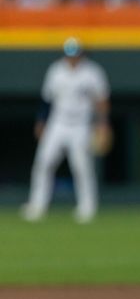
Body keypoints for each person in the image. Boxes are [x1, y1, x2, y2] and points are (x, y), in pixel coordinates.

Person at [21, 37, 111, 223]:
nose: (72, 58)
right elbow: (47, 99)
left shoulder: (92, 72)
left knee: (81, 167)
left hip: (81, 124)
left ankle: (87, 207)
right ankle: (37, 206)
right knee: (43, 163)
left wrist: (102, 123)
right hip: (58, 122)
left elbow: (101, 100)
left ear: (81, 53)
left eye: (75, 54)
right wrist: (41, 121)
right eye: (69, 54)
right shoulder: (56, 70)